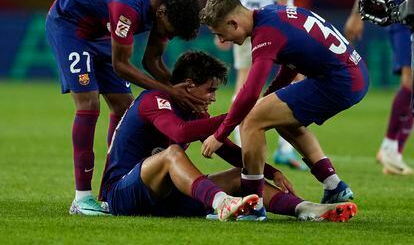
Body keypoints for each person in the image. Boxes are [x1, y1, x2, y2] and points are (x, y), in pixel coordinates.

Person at [100, 51, 357, 222]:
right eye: (209, 90)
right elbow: (178, 132)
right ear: (189, 85)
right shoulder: (155, 99)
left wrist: (270, 171)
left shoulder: (193, 110)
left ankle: (305, 209)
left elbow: (229, 151)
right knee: (172, 155)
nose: (213, 97)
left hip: (163, 200)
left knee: (239, 175)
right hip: (121, 194)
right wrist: (237, 114)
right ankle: (221, 203)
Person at [200, 0, 369, 220]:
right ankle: (333, 185)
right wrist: (271, 96)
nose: (222, 41)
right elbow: (292, 63)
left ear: (233, 22)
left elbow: (249, 92)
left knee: (251, 120)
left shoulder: (265, 34)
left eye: (221, 34)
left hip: (339, 81)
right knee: (278, 118)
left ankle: (253, 204)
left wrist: (220, 135)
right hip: (353, 74)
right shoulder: (271, 14)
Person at [45, 0, 204, 215]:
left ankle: (112, 190)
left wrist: (183, 91)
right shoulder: (128, 7)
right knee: (89, 103)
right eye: (167, 30)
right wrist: (171, 90)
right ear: (161, 14)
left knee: (124, 108)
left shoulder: (168, 4)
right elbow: (121, 65)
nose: (164, 35)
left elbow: (151, 60)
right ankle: (81, 198)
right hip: (70, 25)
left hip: (100, 30)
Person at [216, 0, 305, 169]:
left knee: (245, 79)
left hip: (241, 16)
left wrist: (221, 20)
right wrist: (283, 12)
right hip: (273, 16)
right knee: (297, 77)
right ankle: (286, 148)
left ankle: (242, 142)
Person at [344, 0, 413, 175]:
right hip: (405, 9)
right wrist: (356, 13)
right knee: (410, 79)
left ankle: (393, 150)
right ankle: (390, 148)